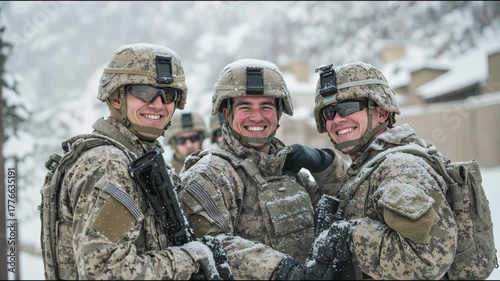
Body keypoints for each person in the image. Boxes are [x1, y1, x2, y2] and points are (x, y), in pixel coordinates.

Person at [44, 43, 231, 280]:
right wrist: (190, 259)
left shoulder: (137, 156)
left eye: (168, 94)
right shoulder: (109, 165)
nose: (158, 104)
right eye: (144, 92)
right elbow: (105, 271)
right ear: (115, 97)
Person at [177, 58, 348, 280]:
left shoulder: (286, 168)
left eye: (266, 107)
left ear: (278, 113)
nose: (257, 116)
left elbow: (347, 204)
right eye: (245, 107)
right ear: (227, 115)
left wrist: (325, 164)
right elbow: (211, 246)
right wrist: (282, 270)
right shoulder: (210, 174)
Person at [304, 62, 457, 279]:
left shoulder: (401, 167)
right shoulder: (371, 164)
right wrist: (325, 166)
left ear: (382, 112)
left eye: (347, 108)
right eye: (329, 112)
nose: (337, 119)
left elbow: (428, 259)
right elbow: (362, 196)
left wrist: (350, 236)